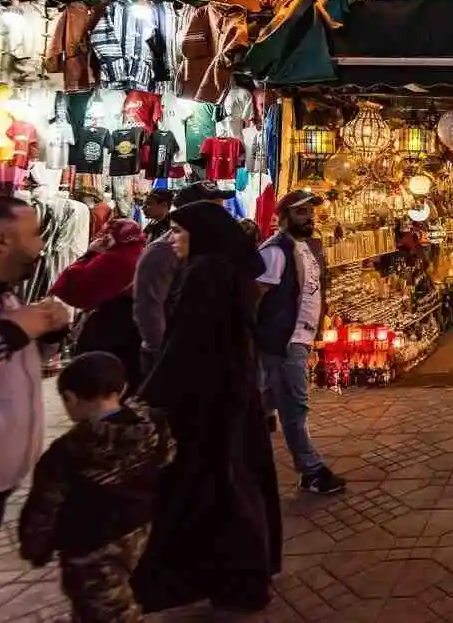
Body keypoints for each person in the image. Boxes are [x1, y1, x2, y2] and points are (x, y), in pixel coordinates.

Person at [131, 201, 282, 614]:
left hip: (209, 403)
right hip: (228, 395)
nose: (172, 241)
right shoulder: (226, 271)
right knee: (232, 486)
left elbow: (187, 342)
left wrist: (150, 395)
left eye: (179, 232)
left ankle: (235, 580)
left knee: (221, 491)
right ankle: (237, 579)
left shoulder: (207, 274)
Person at [18, 352, 175, 623]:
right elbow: (166, 459)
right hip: (138, 530)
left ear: (70, 398)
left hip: (90, 548)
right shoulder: (154, 427)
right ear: (123, 388)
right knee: (104, 598)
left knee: (110, 609)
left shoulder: (66, 453)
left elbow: (44, 507)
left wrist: (35, 546)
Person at [255, 189, 344, 495]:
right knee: (295, 407)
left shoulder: (301, 247)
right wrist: (263, 335)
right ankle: (312, 471)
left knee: (261, 403)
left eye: (311, 212)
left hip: (297, 337)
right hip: (285, 340)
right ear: (284, 217)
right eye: (301, 212)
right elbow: (256, 295)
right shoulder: (276, 250)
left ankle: (232, 460)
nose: (309, 218)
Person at [0, 196, 73, 524]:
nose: (43, 244)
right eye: (35, 234)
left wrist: (48, 334)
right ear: (3, 241)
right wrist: (14, 332)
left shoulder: (8, 294)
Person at [132, 180, 235, 378]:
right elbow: (149, 309)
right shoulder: (164, 251)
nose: (224, 214)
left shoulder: (216, 248)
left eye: (222, 206)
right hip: (174, 357)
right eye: (215, 207)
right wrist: (164, 354)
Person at [50, 219, 147, 392]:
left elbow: (75, 285)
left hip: (109, 326)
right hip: (138, 327)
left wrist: (90, 254)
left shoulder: (112, 259)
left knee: (99, 381)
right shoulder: (144, 254)